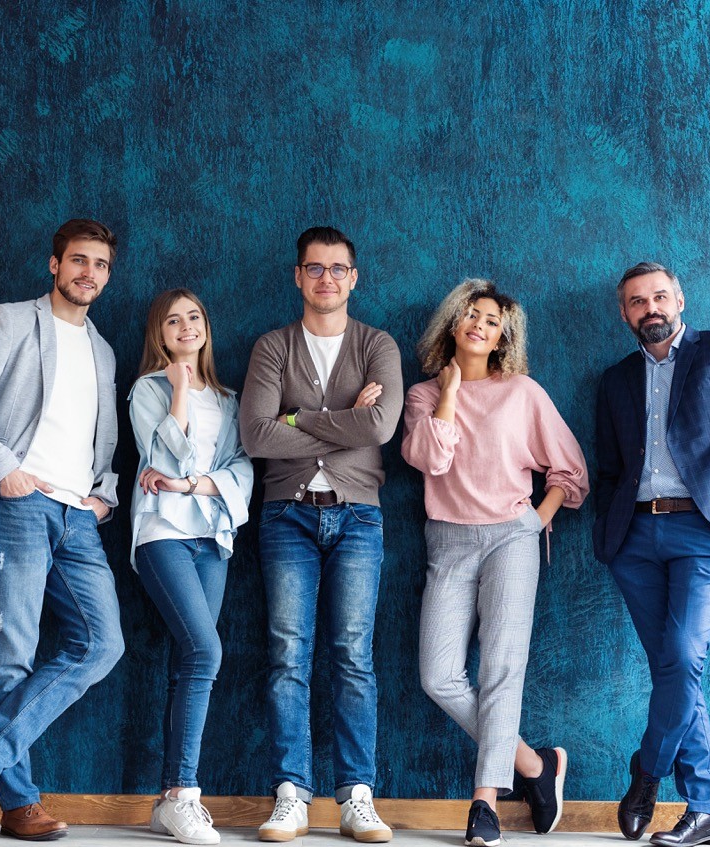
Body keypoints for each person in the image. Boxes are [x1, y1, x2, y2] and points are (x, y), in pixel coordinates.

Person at [0, 219, 125, 843]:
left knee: (103, 644)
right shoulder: (12, 321)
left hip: (78, 518)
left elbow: (105, 439)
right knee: (12, 653)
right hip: (19, 505)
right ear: (53, 264)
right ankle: (19, 804)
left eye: (99, 265)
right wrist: (5, 471)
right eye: (77, 261)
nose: (87, 273)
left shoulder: (103, 349)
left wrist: (103, 496)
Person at [402, 279, 588, 847]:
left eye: (493, 320)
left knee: (500, 670)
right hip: (449, 541)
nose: (481, 324)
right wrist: (452, 390)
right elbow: (429, 459)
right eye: (472, 314)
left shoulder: (523, 392)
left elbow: (571, 471)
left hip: (512, 537)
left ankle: (484, 802)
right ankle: (534, 767)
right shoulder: (421, 397)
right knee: (438, 677)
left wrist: (535, 519)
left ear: (504, 335)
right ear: (453, 323)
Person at [594, 262, 710, 847]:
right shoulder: (615, 380)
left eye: (660, 297)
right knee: (675, 670)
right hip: (635, 540)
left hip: (707, 530)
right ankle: (708, 815)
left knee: (682, 657)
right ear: (623, 313)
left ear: (679, 300)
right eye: (637, 302)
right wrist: (611, 534)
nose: (651, 308)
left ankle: (648, 772)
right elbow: (609, 468)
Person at [238, 226, 402, 843]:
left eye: (337, 269)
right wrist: (345, 420)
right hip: (287, 514)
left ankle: (357, 795)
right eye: (314, 269)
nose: (326, 279)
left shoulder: (376, 343)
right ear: (297, 277)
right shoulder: (272, 347)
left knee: (353, 655)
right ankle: (291, 795)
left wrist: (295, 416)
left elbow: (382, 426)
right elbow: (257, 436)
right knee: (287, 654)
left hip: (359, 515)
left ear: (353, 278)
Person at [128, 288, 254, 845]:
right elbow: (158, 460)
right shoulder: (147, 390)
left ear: (206, 325)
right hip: (163, 535)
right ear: (159, 334)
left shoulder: (228, 399)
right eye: (173, 321)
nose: (186, 327)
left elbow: (242, 468)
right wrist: (178, 390)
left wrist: (194, 484)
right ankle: (184, 794)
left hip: (212, 536)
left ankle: (165, 804)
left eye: (194, 317)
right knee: (205, 650)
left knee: (191, 661)